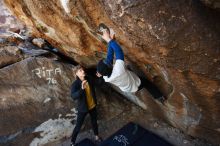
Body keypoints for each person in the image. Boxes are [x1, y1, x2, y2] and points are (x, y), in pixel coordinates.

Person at [96, 23, 165, 103]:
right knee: (147, 83)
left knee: (126, 69)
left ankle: (128, 70)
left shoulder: (106, 77)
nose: (107, 60)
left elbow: (110, 56)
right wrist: (109, 40)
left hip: (126, 87)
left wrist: (110, 41)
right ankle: (159, 97)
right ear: (110, 67)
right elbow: (119, 51)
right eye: (106, 62)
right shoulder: (118, 70)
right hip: (135, 85)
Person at [70, 65, 102, 146]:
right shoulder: (75, 84)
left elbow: (98, 83)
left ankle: (96, 137)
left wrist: (101, 77)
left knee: (94, 122)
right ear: (76, 73)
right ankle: (72, 142)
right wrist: (82, 89)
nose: (83, 71)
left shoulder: (89, 78)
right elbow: (73, 96)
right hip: (83, 109)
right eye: (80, 70)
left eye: (82, 69)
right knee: (78, 126)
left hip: (92, 106)